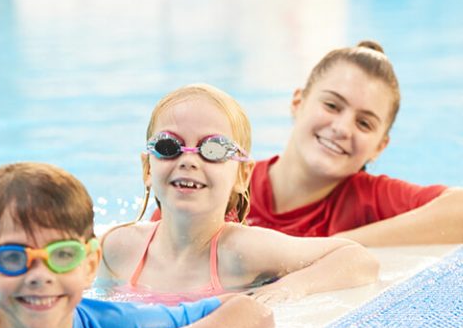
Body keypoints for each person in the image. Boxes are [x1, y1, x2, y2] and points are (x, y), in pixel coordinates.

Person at [0, 162, 274, 328]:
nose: (40, 276)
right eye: (13, 257)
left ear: (90, 264)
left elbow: (252, 313)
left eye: (62, 255)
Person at [98, 83, 380, 306]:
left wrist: (292, 286)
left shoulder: (239, 251)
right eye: (168, 146)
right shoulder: (117, 248)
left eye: (214, 149)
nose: (188, 160)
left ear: (242, 175)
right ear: (148, 168)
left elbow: (357, 259)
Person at [247, 41, 463, 246]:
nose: (342, 128)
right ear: (298, 103)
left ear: (380, 146)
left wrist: (334, 246)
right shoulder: (235, 182)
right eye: (332, 105)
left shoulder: (368, 199)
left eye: (364, 123)